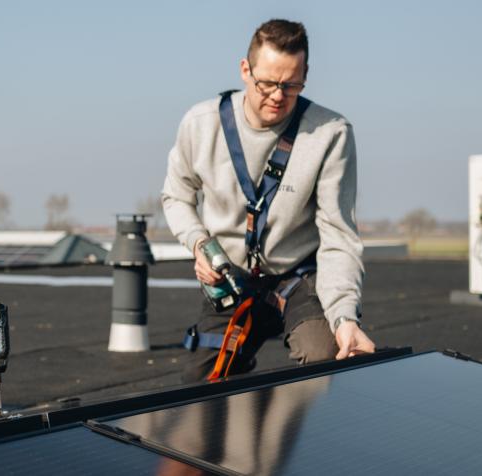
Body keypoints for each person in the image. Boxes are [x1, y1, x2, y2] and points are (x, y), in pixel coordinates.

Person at [161, 19, 376, 383]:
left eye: (291, 85)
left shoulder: (331, 134)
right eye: (267, 83)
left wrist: (344, 319)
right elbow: (176, 197)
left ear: (305, 74)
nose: (278, 95)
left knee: (327, 359)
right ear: (245, 70)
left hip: (297, 279)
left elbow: (339, 236)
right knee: (198, 390)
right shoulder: (200, 124)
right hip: (230, 279)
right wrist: (198, 245)